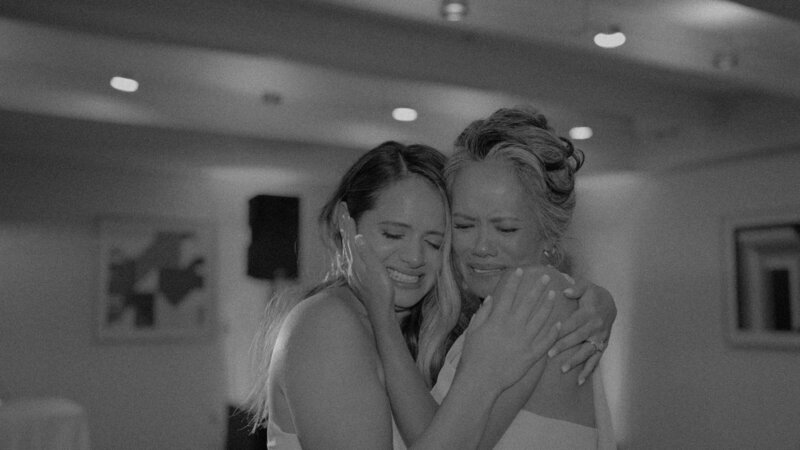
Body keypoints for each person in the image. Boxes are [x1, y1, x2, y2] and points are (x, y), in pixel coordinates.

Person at [245, 141, 569, 449]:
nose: (414, 257)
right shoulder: (328, 325)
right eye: (394, 233)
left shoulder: (431, 331)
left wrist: (588, 300)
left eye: (434, 242)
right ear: (346, 223)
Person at [349, 106, 617, 449]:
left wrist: (382, 319)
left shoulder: (537, 296)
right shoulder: (504, 310)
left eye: (504, 228)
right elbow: (437, 431)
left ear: (549, 234)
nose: (481, 247)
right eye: (463, 225)